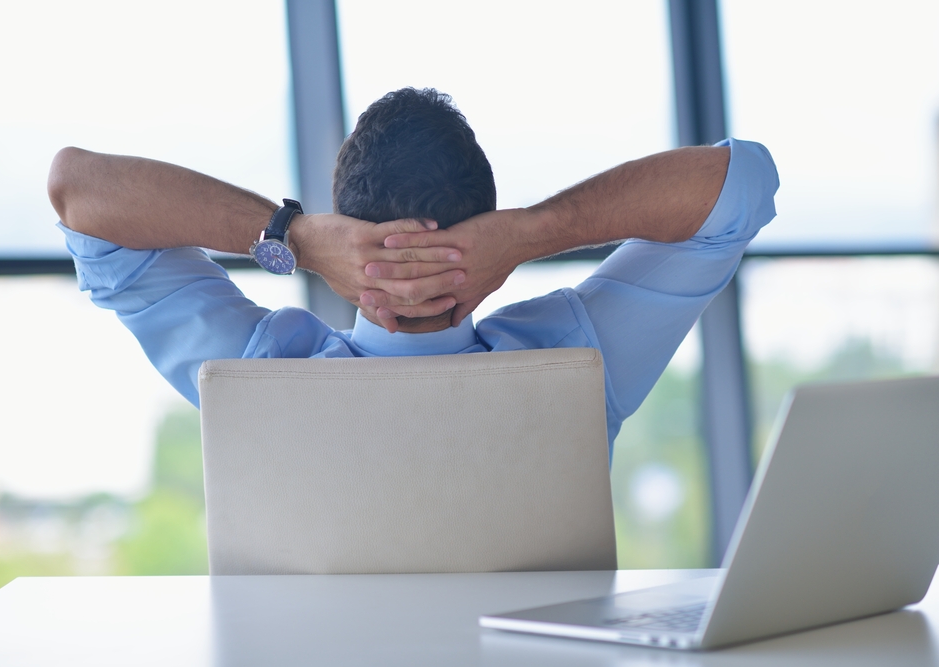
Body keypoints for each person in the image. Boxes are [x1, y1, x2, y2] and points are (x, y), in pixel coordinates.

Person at [48, 87, 778, 452]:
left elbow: (78, 189)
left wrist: (290, 234)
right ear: (485, 224)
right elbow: (739, 183)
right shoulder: (578, 358)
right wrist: (531, 233)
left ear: (346, 235)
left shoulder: (257, 372)